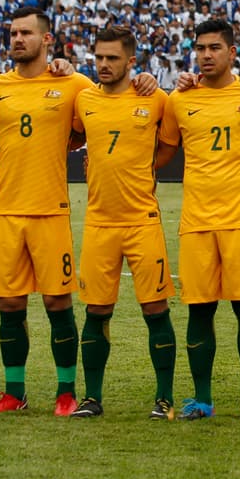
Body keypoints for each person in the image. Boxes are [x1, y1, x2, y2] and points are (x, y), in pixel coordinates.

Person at [157, 18, 240, 422]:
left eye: (214, 48)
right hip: (196, 222)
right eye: (200, 48)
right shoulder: (179, 100)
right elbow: (160, 153)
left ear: (232, 53)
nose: (206, 55)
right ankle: (202, 398)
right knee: (199, 310)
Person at [0, 6, 95, 416]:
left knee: (57, 303)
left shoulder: (74, 84)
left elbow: (86, 129)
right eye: (12, 33)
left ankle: (66, 391)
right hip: (7, 211)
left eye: (26, 33)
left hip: (50, 210)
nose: (17, 39)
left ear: (46, 39)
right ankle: (14, 392)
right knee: (9, 305)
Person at [70, 25, 175, 420]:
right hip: (99, 223)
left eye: (113, 58)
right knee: (96, 311)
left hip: (142, 220)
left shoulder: (155, 99)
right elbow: (73, 135)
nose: (104, 65)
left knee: (155, 309)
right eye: (98, 57)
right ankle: (91, 397)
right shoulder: (83, 99)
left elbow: (168, 145)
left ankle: (163, 398)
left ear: (132, 62)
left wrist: (145, 169)